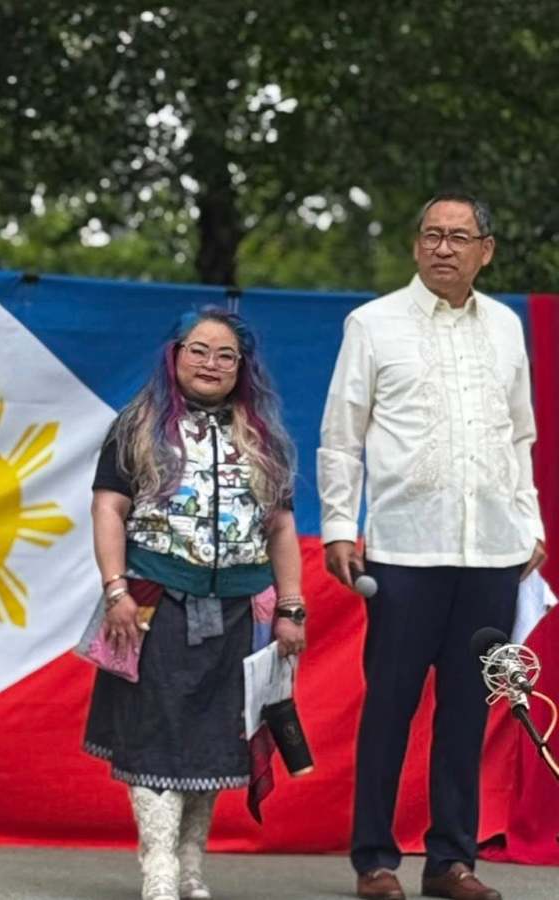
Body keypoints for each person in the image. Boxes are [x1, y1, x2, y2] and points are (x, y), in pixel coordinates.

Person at [319, 192, 546, 900]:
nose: (444, 248)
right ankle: (375, 861)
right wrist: (334, 526)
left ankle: (451, 860)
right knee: (389, 704)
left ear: (488, 249)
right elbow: (340, 434)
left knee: (466, 709)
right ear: (416, 245)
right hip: (403, 553)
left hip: (491, 552)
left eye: (459, 237)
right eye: (431, 235)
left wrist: (530, 523)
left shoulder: (507, 328)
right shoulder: (373, 324)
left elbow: (520, 436)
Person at [84, 308, 306, 900]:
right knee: (157, 738)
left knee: (214, 744)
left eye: (225, 354)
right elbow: (108, 509)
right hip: (154, 606)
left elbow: (281, 527)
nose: (211, 363)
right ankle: (157, 869)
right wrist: (116, 591)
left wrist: (292, 607)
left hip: (239, 611)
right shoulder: (137, 424)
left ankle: (190, 867)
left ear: (242, 366)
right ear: (175, 355)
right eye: (198, 350)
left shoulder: (264, 436)